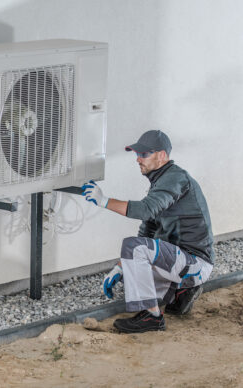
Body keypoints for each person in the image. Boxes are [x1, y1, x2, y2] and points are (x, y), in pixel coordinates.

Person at [81, 130, 214, 333]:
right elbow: (147, 229)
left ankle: (152, 318)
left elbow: (145, 209)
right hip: (180, 261)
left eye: (144, 155)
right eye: (137, 154)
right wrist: (120, 266)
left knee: (133, 251)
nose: (138, 159)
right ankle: (180, 294)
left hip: (195, 262)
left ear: (162, 155)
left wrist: (103, 201)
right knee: (131, 273)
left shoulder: (175, 178)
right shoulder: (161, 182)